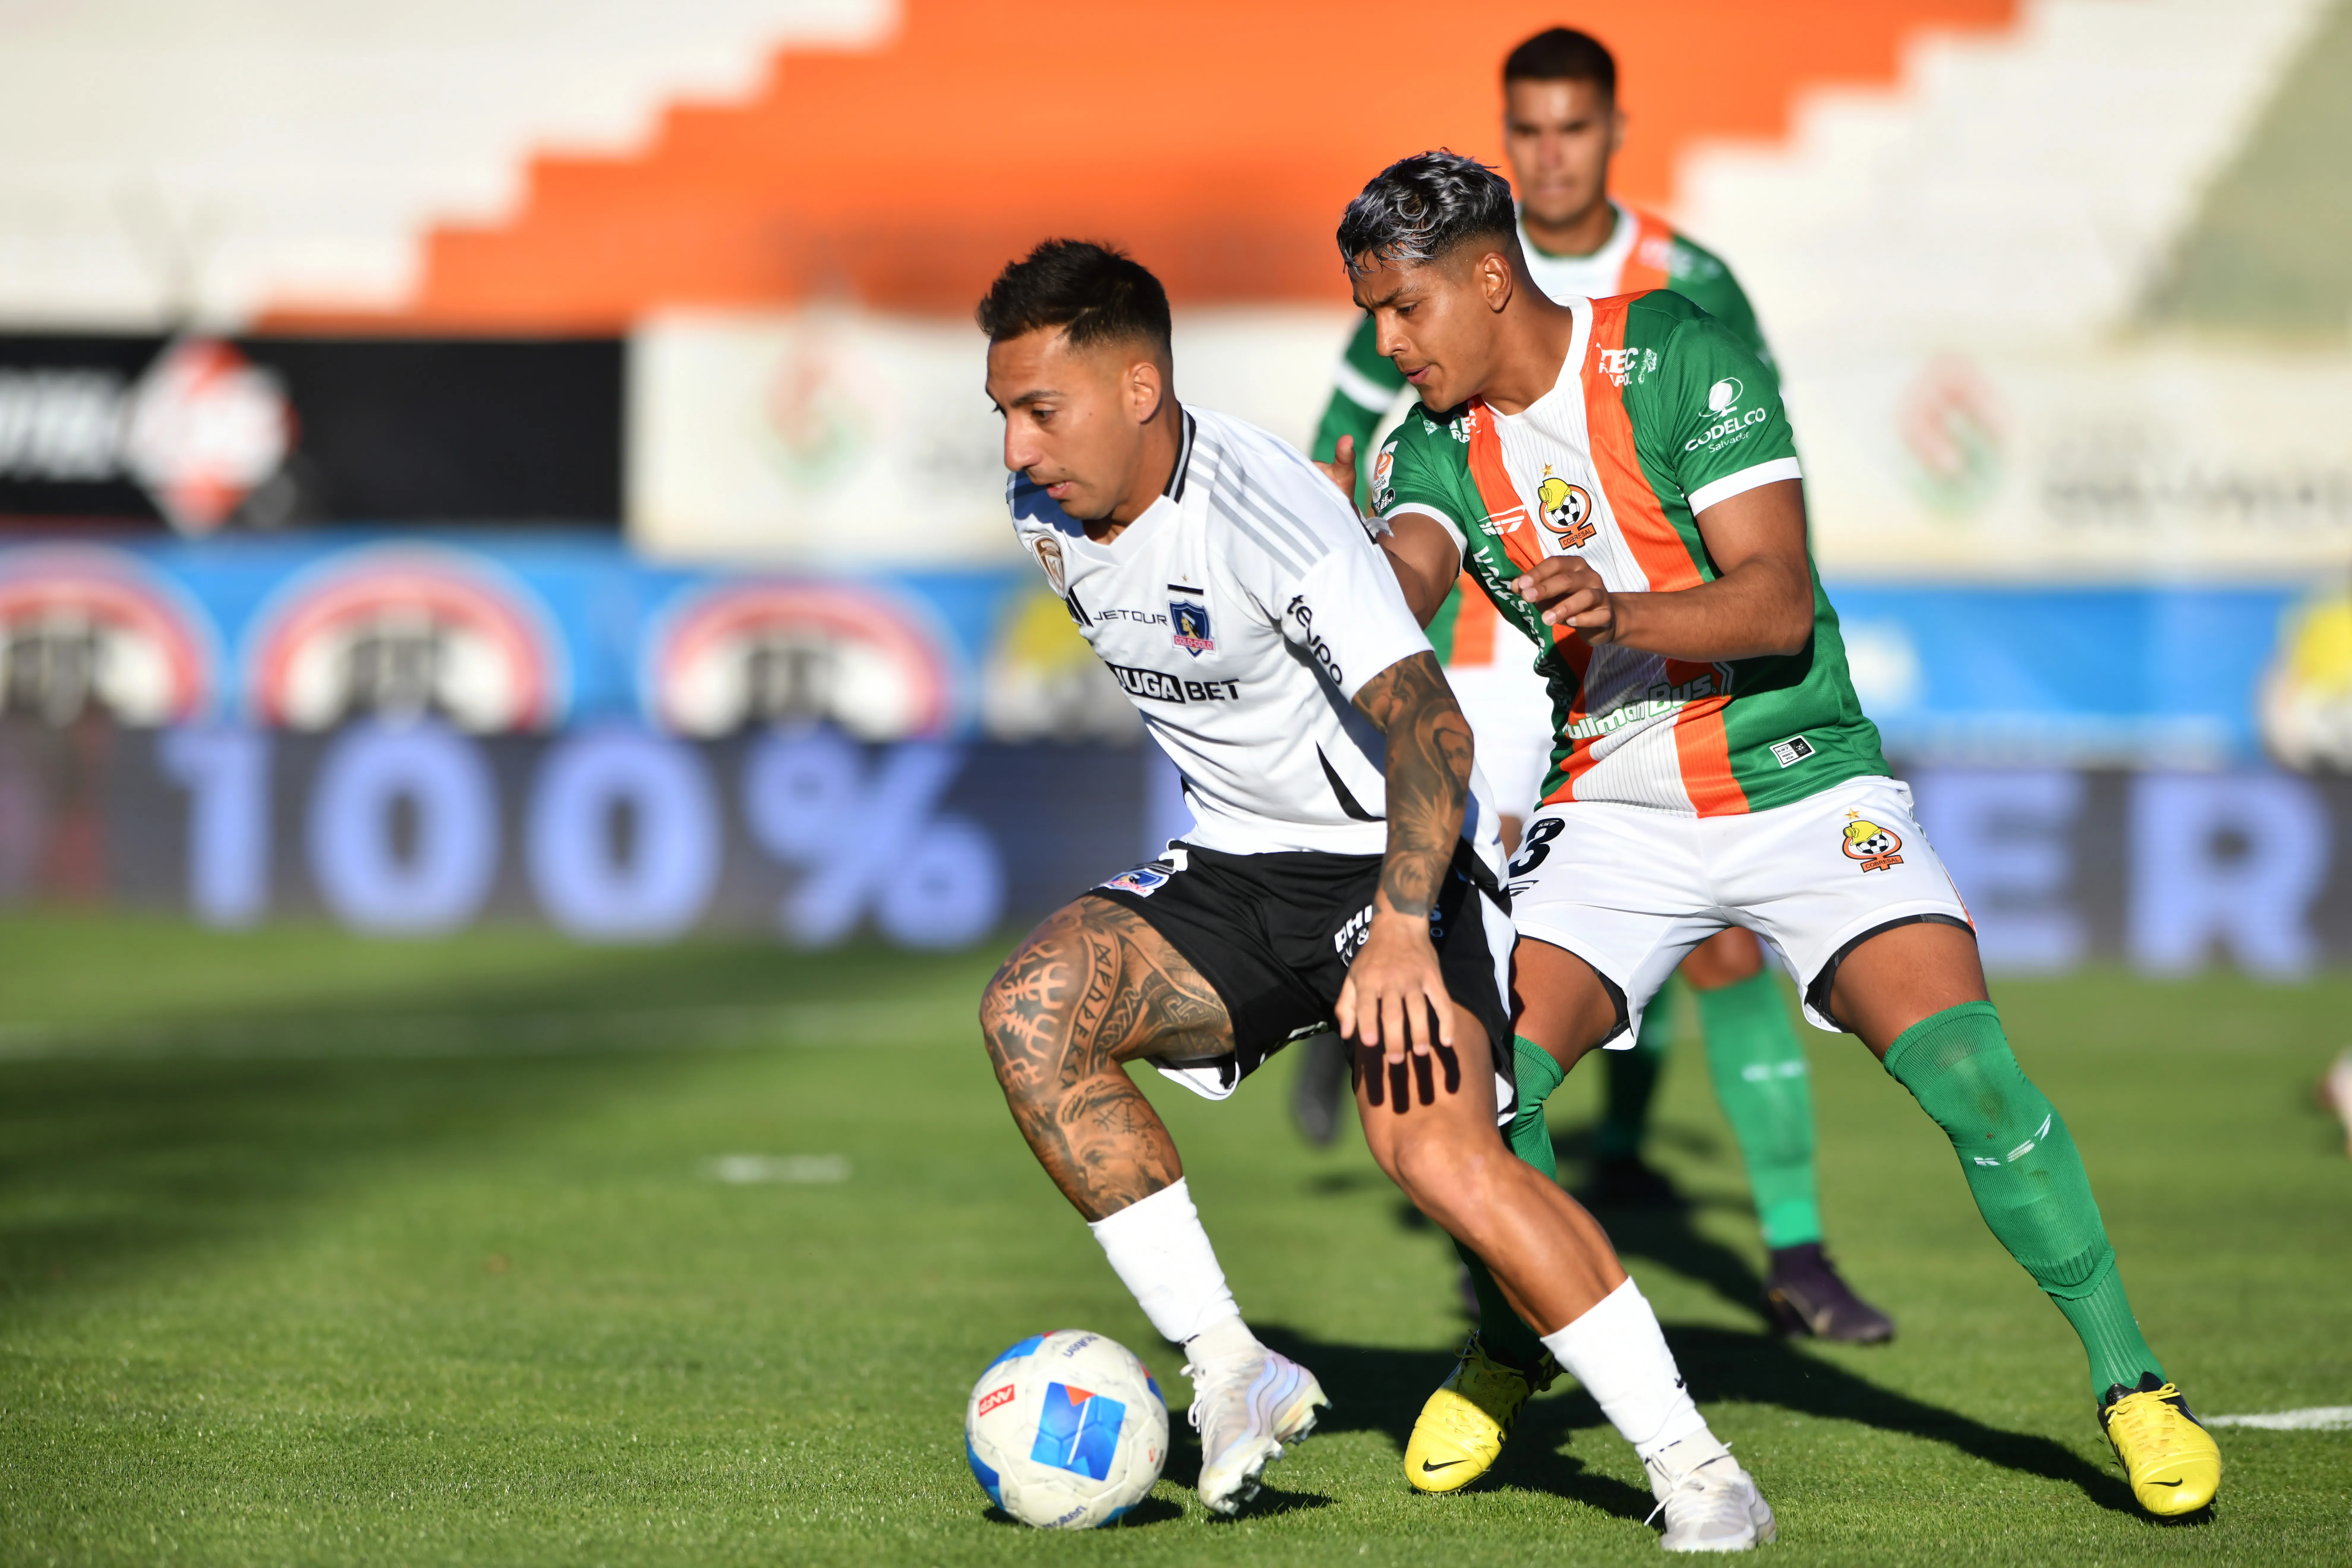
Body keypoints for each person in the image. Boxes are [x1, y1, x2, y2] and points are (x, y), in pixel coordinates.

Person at [1325, 150, 2222, 1520]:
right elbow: (1406, 577)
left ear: (1488, 277)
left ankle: (2131, 1383)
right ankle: (1519, 1339)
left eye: (1400, 310)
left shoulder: (1679, 352)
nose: (1385, 341)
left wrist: (1615, 613)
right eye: (1371, 315)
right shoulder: (1425, 443)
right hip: (1612, 803)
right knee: (1487, 1079)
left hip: (1798, 776)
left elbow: (1775, 606)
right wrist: (1324, 598)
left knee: (1969, 1070)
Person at [977, 238, 1776, 1548]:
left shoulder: (1265, 513)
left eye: (1038, 411)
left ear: (1138, 388)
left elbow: (1430, 733)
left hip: (1388, 858)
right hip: (1238, 867)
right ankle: (1232, 1365)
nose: (1016, 449)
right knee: (1030, 1012)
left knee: (1437, 1157)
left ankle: (1694, 1463)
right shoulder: (1047, 514)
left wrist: (1402, 928)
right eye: (1002, 413)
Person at [1296, 27, 1890, 1351]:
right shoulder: (1424, 291)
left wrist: (1712, 619)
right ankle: (1507, 1268)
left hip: (1632, 655)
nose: (1549, 153)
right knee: (1487, 956)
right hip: (1479, 662)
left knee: (1717, 934)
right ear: (1506, 140)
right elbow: (1348, 455)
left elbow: (1747, 476)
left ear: (1612, 131)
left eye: (1571, 129)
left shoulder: (1683, 284)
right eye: (1527, 132)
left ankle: (1792, 1248)